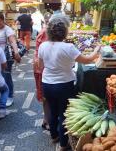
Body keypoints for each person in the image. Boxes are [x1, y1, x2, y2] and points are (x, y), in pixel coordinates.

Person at [38, 14, 100, 150]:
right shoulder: (68, 47)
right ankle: (63, 144)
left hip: (47, 84)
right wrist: (96, 50)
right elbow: (88, 59)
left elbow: (40, 66)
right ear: (65, 32)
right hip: (64, 85)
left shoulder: (43, 46)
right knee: (64, 114)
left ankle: (54, 136)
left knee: (53, 112)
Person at [0, 12, 21, 107]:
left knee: (6, 77)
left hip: (4, 57)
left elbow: (12, 41)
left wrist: (16, 53)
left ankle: (9, 95)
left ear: (3, 19)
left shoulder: (7, 29)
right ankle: (0, 95)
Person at [33, 12, 52, 131]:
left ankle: (47, 119)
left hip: (40, 66)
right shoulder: (46, 32)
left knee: (46, 96)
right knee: (46, 97)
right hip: (41, 67)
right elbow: (44, 52)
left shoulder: (45, 31)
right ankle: (47, 120)